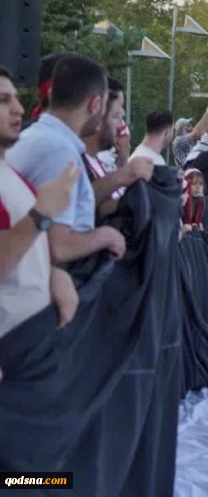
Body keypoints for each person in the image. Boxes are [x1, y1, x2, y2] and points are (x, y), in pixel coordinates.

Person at [6, 55, 126, 263]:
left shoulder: (44, 138)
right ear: (95, 104)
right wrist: (106, 236)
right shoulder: (58, 151)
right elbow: (58, 248)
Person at [0, 65, 82, 339]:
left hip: (32, 339)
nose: (19, 109)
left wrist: (54, 273)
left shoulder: (11, 176)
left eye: (15, 98)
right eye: (4, 100)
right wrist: (40, 213)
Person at [82, 81, 154, 217]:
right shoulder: (72, 159)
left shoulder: (94, 160)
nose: (121, 126)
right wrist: (123, 175)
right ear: (97, 116)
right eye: (116, 116)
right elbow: (76, 206)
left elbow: (101, 209)